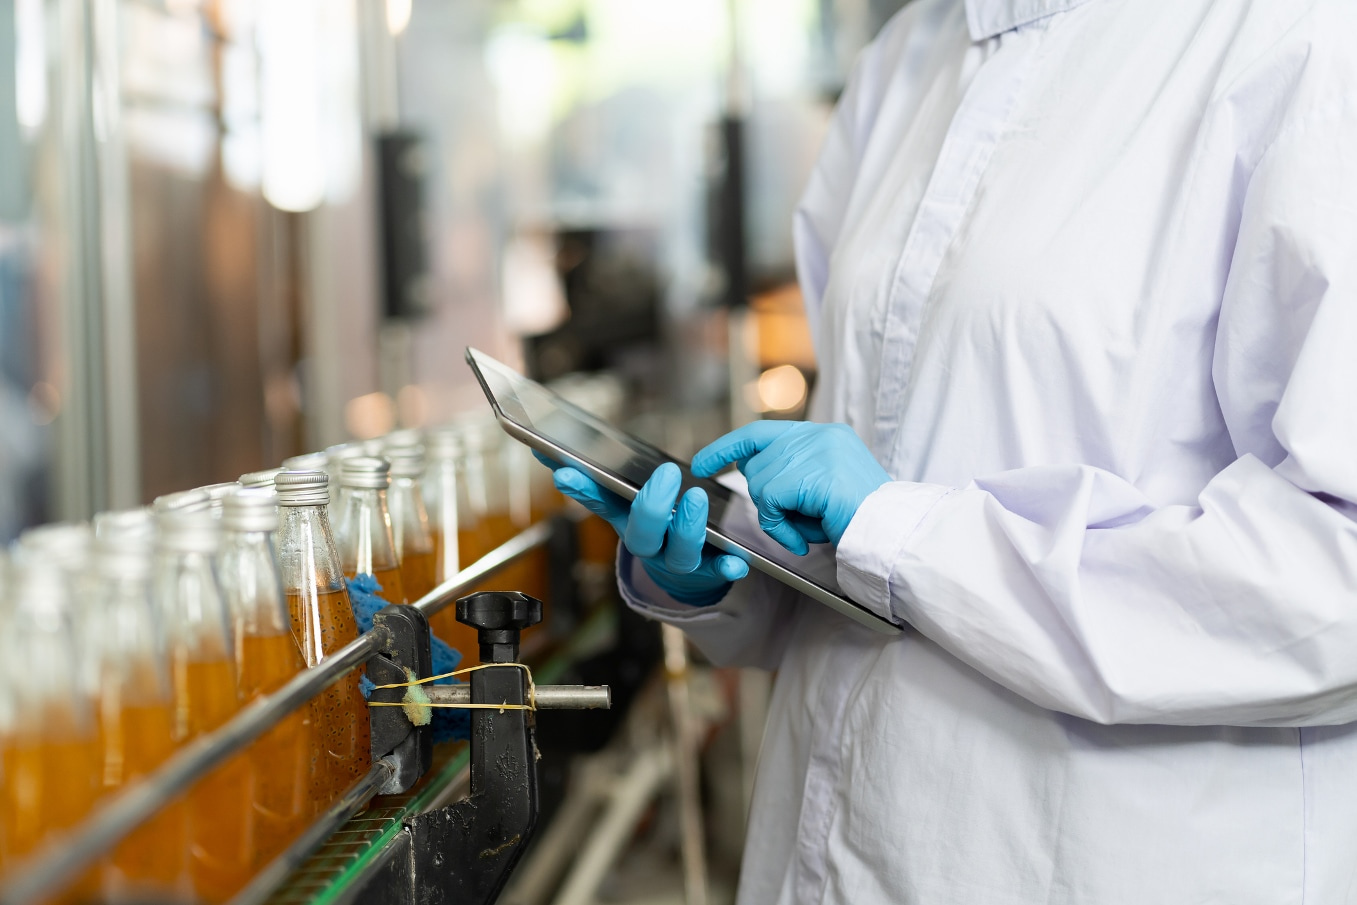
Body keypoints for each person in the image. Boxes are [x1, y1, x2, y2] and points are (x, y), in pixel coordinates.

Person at [540, 0, 1357, 901]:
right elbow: (867, 491)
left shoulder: (1299, 37)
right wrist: (730, 562)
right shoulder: (905, 57)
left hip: (1100, 860)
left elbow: (1334, 582)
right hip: (830, 845)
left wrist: (902, 532)